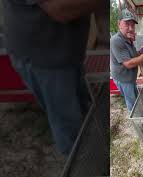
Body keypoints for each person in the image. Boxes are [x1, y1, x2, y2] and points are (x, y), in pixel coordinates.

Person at [2, 0, 106, 157]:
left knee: (84, 110)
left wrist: (104, 39)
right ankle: (83, 164)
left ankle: (93, 149)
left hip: (70, 50)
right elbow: (60, 9)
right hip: (42, 57)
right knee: (68, 125)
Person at [110, 8, 143, 113]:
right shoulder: (116, 41)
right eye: (127, 24)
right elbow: (129, 64)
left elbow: (133, 55)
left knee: (134, 97)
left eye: (132, 25)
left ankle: (138, 114)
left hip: (130, 78)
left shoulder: (128, 38)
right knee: (132, 104)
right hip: (124, 79)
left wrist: (140, 51)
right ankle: (136, 121)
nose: (130, 28)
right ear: (119, 24)